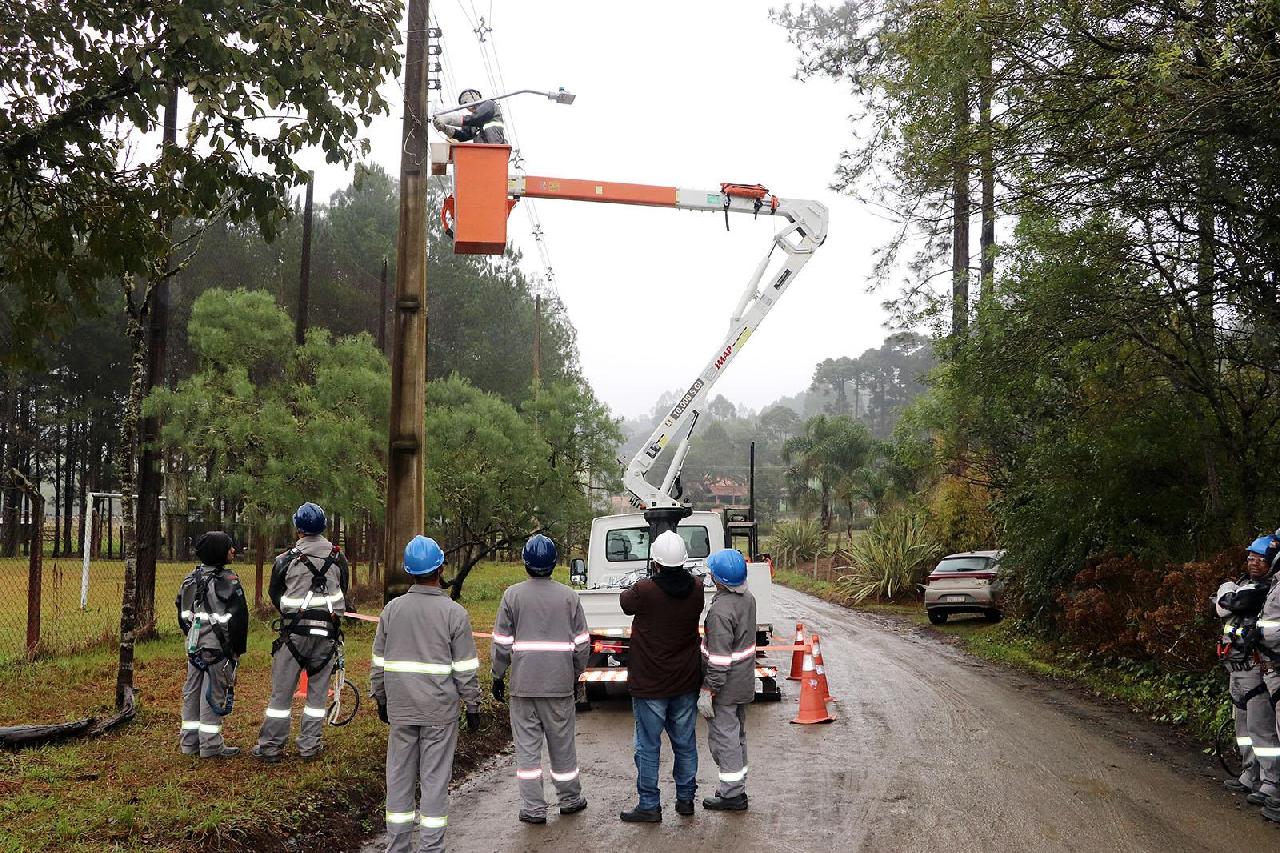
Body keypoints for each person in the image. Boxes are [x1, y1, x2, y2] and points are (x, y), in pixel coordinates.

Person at [372, 535, 482, 853]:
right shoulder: (454, 613)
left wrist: (380, 697)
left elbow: (378, 662)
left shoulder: (391, 611)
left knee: (399, 777)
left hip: (401, 708)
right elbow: (465, 668)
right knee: (434, 780)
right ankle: (432, 847)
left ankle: (398, 845)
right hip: (439, 712)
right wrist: (473, 705)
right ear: (440, 569)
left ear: (410, 572)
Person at [491, 534, 590, 825]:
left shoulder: (512, 595)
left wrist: (497, 675)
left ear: (525, 563)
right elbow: (582, 644)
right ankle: (570, 799)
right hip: (559, 684)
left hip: (523, 687)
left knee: (527, 750)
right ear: (553, 562)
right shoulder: (570, 597)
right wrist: (574, 675)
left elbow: (501, 642)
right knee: (563, 746)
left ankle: (533, 809)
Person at [618, 529, 705, 822]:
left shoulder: (644, 590)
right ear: (683, 561)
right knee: (685, 742)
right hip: (684, 681)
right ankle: (685, 800)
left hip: (650, 684)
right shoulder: (697, 589)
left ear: (655, 561)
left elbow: (624, 602)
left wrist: (645, 579)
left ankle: (649, 805)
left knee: (647, 745)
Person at [252, 501, 349, 763]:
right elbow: (345, 589)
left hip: (293, 635)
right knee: (317, 695)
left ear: (298, 528)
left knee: (281, 694)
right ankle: (309, 746)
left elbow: (275, 594)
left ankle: (270, 747)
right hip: (327, 636)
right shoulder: (338, 558)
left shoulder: (285, 559)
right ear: (324, 526)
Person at [1217, 533, 1280, 812]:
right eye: (1250, 558)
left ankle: (1270, 782)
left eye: (1259, 559)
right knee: (1243, 728)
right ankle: (1249, 774)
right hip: (1236, 667)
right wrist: (1225, 596)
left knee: (1260, 729)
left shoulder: (1265, 589)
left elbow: (1234, 604)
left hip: (1256, 667)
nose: (1253, 562)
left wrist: (1226, 595)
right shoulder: (1247, 585)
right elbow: (1219, 607)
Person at [177, 531, 249, 759]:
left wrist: (191, 635)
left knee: (192, 692)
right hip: (219, 649)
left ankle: (189, 743)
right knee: (213, 694)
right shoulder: (229, 581)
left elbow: (181, 611)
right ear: (220, 552)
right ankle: (211, 745)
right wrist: (237, 649)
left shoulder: (190, 578)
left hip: (194, 647)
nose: (233, 550)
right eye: (229, 547)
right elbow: (239, 619)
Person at [698, 548, 757, 812]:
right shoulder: (748, 599)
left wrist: (709, 688)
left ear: (719, 579)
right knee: (737, 735)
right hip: (743, 680)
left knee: (725, 739)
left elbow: (720, 659)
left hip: (726, 686)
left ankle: (732, 794)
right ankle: (738, 787)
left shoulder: (720, 611)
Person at [432, 88, 506, 143]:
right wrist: (445, 128)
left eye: (467, 101)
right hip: (482, 151)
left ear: (475, 96)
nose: (468, 107)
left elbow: (476, 118)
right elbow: (463, 135)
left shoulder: (489, 104)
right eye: (465, 105)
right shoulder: (473, 123)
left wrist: (446, 119)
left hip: (496, 147)